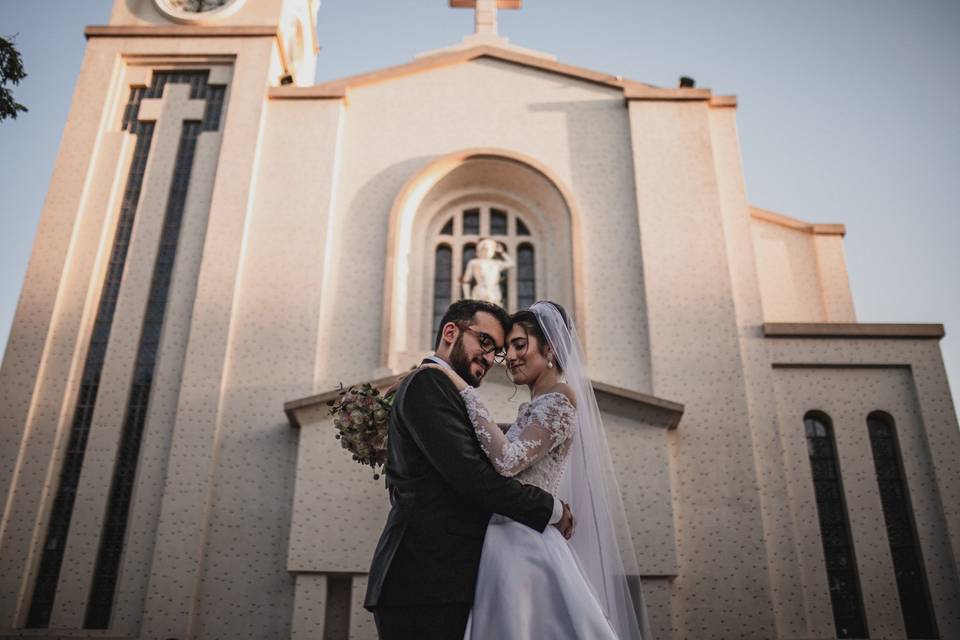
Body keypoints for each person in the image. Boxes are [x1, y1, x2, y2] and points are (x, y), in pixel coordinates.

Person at [426, 301, 652, 640]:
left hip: (524, 543)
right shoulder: (539, 406)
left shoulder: (559, 401)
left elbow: (506, 460)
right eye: (507, 350)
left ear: (551, 349)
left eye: (520, 345)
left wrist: (459, 387)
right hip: (505, 539)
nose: (511, 357)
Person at [364, 299, 575, 640]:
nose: (492, 359)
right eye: (487, 343)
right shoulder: (429, 384)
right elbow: (474, 479)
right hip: (426, 582)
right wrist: (551, 508)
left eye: (498, 351)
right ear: (451, 332)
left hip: (445, 580)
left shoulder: (434, 386)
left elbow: (492, 452)